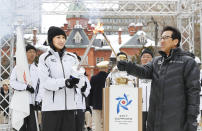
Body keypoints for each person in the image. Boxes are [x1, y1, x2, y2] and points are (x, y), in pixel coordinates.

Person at [117, 26, 200, 131]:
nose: (162, 41)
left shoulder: (188, 62)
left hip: (176, 122)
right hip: (155, 121)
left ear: (175, 41)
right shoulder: (157, 61)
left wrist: (191, 121)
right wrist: (128, 66)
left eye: (165, 37)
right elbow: (143, 71)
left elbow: (193, 93)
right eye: (161, 38)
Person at [38, 26, 82, 131]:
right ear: (51, 39)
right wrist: (65, 82)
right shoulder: (45, 58)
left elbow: (81, 77)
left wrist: (77, 81)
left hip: (70, 107)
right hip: (51, 108)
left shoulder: (72, 57)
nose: (61, 40)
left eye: (63, 37)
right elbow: (45, 82)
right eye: (58, 37)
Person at [10, 44, 39, 131]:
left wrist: (38, 99)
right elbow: (12, 82)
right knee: (21, 127)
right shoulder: (18, 67)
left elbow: (40, 86)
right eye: (29, 51)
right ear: (25, 54)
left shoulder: (37, 68)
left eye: (34, 52)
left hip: (32, 103)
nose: (32, 54)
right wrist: (25, 87)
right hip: (21, 102)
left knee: (32, 127)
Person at [89, 63, 109, 131]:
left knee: (97, 122)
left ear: (99, 69)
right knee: (107, 122)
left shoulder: (93, 78)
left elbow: (90, 91)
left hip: (96, 103)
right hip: (107, 103)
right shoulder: (109, 77)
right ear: (106, 68)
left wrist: (90, 103)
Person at [138, 48, 153, 131]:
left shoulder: (158, 72)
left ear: (152, 59)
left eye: (148, 57)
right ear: (141, 59)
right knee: (141, 127)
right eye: (143, 57)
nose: (146, 58)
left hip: (153, 107)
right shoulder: (135, 72)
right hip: (140, 107)